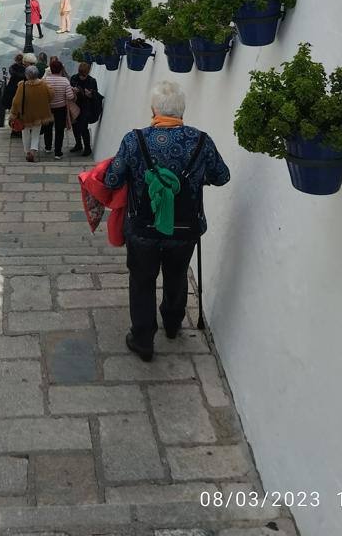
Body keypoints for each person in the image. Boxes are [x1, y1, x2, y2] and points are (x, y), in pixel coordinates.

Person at [104, 81, 230, 362]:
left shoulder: (134, 140)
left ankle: (143, 339)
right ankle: (172, 324)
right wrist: (196, 179)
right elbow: (222, 176)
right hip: (184, 227)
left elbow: (112, 179)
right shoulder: (201, 141)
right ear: (182, 111)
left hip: (142, 228)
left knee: (142, 279)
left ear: (154, 110)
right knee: (177, 274)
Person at [10, 65, 52, 163]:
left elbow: (16, 102)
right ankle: (33, 151)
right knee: (36, 133)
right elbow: (51, 96)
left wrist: (14, 113)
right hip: (39, 113)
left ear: (27, 75)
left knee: (25, 133)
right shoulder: (43, 85)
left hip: (25, 114)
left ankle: (27, 152)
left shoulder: (22, 86)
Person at [42, 59, 76, 159]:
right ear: (61, 69)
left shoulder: (45, 81)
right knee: (59, 130)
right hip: (61, 108)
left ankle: (48, 147)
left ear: (51, 69)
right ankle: (57, 152)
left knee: (47, 128)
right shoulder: (64, 81)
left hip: (48, 108)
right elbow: (70, 96)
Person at [70, 60, 99, 156]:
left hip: (86, 106)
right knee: (75, 126)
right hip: (75, 105)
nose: (82, 77)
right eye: (81, 74)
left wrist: (90, 94)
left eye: (84, 75)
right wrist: (73, 91)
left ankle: (87, 147)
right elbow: (69, 90)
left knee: (83, 127)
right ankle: (78, 144)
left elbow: (95, 94)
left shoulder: (92, 81)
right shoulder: (74, 78)